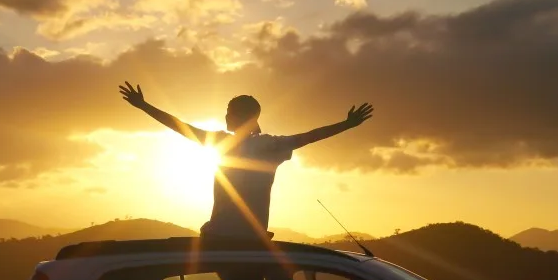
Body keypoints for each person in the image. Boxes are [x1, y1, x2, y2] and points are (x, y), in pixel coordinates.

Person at [119, 81, 373, 242]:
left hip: (223, 238)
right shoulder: (271, 146)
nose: (225, 116)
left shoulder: (224, 142)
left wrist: (144, 106)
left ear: (241, 116)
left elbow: (178, 126)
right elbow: (309, 137)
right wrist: (347, 125)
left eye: (229, 112)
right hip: (249, 239)